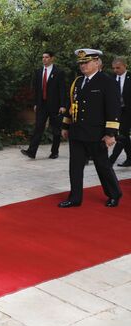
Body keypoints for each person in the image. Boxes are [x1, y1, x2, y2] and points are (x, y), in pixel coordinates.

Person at [59, 49, 122, 208]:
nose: (83, 66)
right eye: (81, 63)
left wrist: (110, 134)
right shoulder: (77, 82)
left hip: (97, 133)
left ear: (97, 62)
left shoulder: (107, 82)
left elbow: (113, 109)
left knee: (102, 166)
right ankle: (75, 198)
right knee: (75, 166)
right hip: (77, 131)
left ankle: (114, 194)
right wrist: (66, 126)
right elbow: (70, 105)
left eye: (86, 62)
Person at [21, 52, 67, 159]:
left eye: (46, 57)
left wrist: (63, 105)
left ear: (52, 58)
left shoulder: (59, 72)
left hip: (55, 106)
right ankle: (31, 152)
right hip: (42, 105)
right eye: (43, 57)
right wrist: (36, 103)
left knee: (56, 129)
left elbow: (62, 89)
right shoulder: (38, 72)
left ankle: (54, 152)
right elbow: (37, 90)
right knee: (38, 128)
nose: (44, 59)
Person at [109, 57, 131, 167]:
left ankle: (111, 160)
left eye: (118, 67)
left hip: (128, 111)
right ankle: (130, 157)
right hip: (116, 111)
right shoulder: (111, 78)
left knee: (122, 134)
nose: (115, 70)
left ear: (125, 66)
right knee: (123, 135)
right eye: (114, 68)